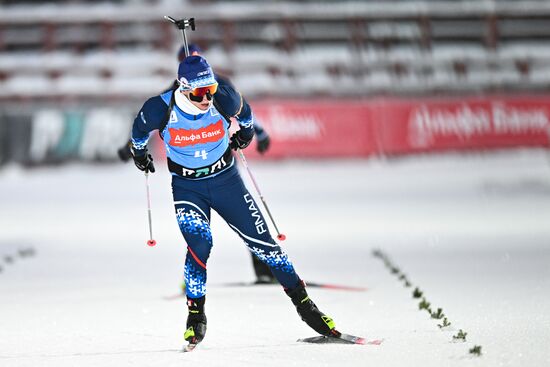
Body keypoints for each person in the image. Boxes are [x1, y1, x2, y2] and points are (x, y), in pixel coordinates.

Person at [129, 55, 337, 347]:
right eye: (200, 93)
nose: (206, 98)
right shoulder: (159, 108)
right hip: (189, 188)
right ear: (183, 87)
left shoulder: (223, 98)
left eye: (210, 90)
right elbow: (138, 133)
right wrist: (139, 154)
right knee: (201, 244)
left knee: (267, 247)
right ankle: (195, 315)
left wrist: (247, 134)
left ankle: (306, 306)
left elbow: (247, 114)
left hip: (227, 182)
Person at [118, 44, 274, 285]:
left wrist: (259, 133)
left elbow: (241, 109)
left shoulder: (219, 84)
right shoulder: (174, 93)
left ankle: (264, 267)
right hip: (188, 172)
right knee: (196, 227)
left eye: (196, 57)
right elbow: (152, 122)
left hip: (222, 163)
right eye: (187, 58)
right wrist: (131, 148)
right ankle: (191, 275)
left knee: (246, 216)